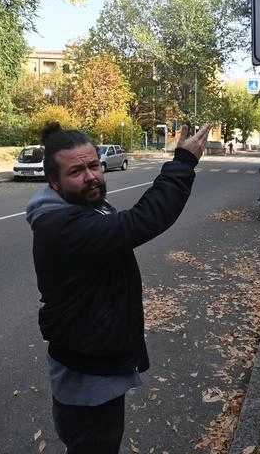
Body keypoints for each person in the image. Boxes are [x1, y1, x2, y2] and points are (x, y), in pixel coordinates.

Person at [25, 121, 212, 453]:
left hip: (93, 360)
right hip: (87, 376)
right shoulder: (62, 225)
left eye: (94, 165)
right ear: (53, 182)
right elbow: (141, 221)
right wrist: (182, 162)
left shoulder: (80, 205)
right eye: (77, 171)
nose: (91, 176)